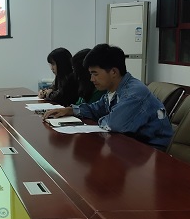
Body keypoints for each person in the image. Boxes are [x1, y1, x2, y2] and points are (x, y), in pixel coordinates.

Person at [44, 44, 173, 149]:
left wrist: (105, 118)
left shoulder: (133, 93)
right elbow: (97, 109)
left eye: (95, 74)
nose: (91, 79)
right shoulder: (114, 90)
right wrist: (71, 110)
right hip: (131, 146)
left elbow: (114, 124)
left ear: (113, 72)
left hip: (152, 152)